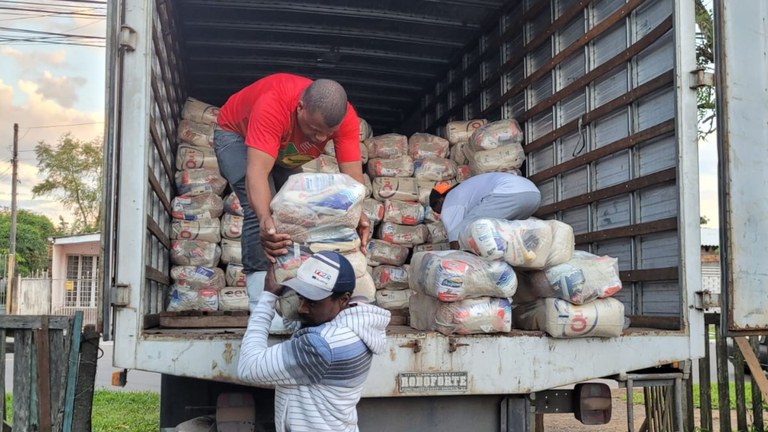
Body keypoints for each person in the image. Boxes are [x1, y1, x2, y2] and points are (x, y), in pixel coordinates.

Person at [215, 73, 370, 297]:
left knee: (295, 208)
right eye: (315, 129)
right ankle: (261, 298)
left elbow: (353, 178)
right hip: (236, 134)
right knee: (262, 212)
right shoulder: (274, 104)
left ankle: (294, 288)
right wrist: (264, 221)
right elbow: (257, 172)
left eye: (327, 134)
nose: (319, 139)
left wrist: (358, 213)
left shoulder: (346, 119)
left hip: (283, 150)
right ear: (300, 107)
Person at [238, 251, 390, 432]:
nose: (301, 308)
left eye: (312, 302)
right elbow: (296, 321)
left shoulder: (321, 345)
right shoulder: (352, 324)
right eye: (300, 296)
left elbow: (248, 367)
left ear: (343, 299)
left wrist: (267, 298)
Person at [429, 172, 541, 249]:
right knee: (507, 234)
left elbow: (455, 237)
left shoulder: (449, 201)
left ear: (440, 201)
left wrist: (453, 262)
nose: (438, 213)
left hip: (508, 194)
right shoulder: (464, 189)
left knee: (470, 228)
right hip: (534, 194)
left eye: (436, 209)